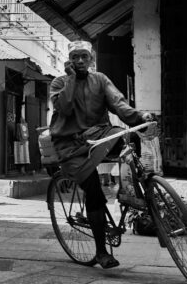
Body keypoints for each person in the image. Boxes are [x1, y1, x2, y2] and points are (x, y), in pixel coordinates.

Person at [49, 40, 153, 269]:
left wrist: (139, 117)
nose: (79, 61)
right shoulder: (59, 83)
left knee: (126, 141)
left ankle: (132, 191)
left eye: (84, 56)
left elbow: (118, 104)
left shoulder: (100, 79)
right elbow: (64, 108)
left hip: (99, 135)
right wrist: (72, 79)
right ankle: (100, 252)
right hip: (70, 145)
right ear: (69, 60)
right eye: (75, 56)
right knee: (94, 193)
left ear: (91, 59)